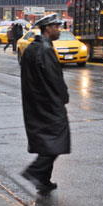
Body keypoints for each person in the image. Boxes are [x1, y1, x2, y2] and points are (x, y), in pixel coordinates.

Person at [18, 14, 70, 195]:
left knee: (47, 142)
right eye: (57, 26)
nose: (59, 29)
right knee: (57, 141)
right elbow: (54, 79)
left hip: (35, 103)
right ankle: (35, 171)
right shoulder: (45, 50)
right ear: (48, 28)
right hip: (49, 104)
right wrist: (63, 97)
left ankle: (43, 181)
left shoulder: (32, 48)